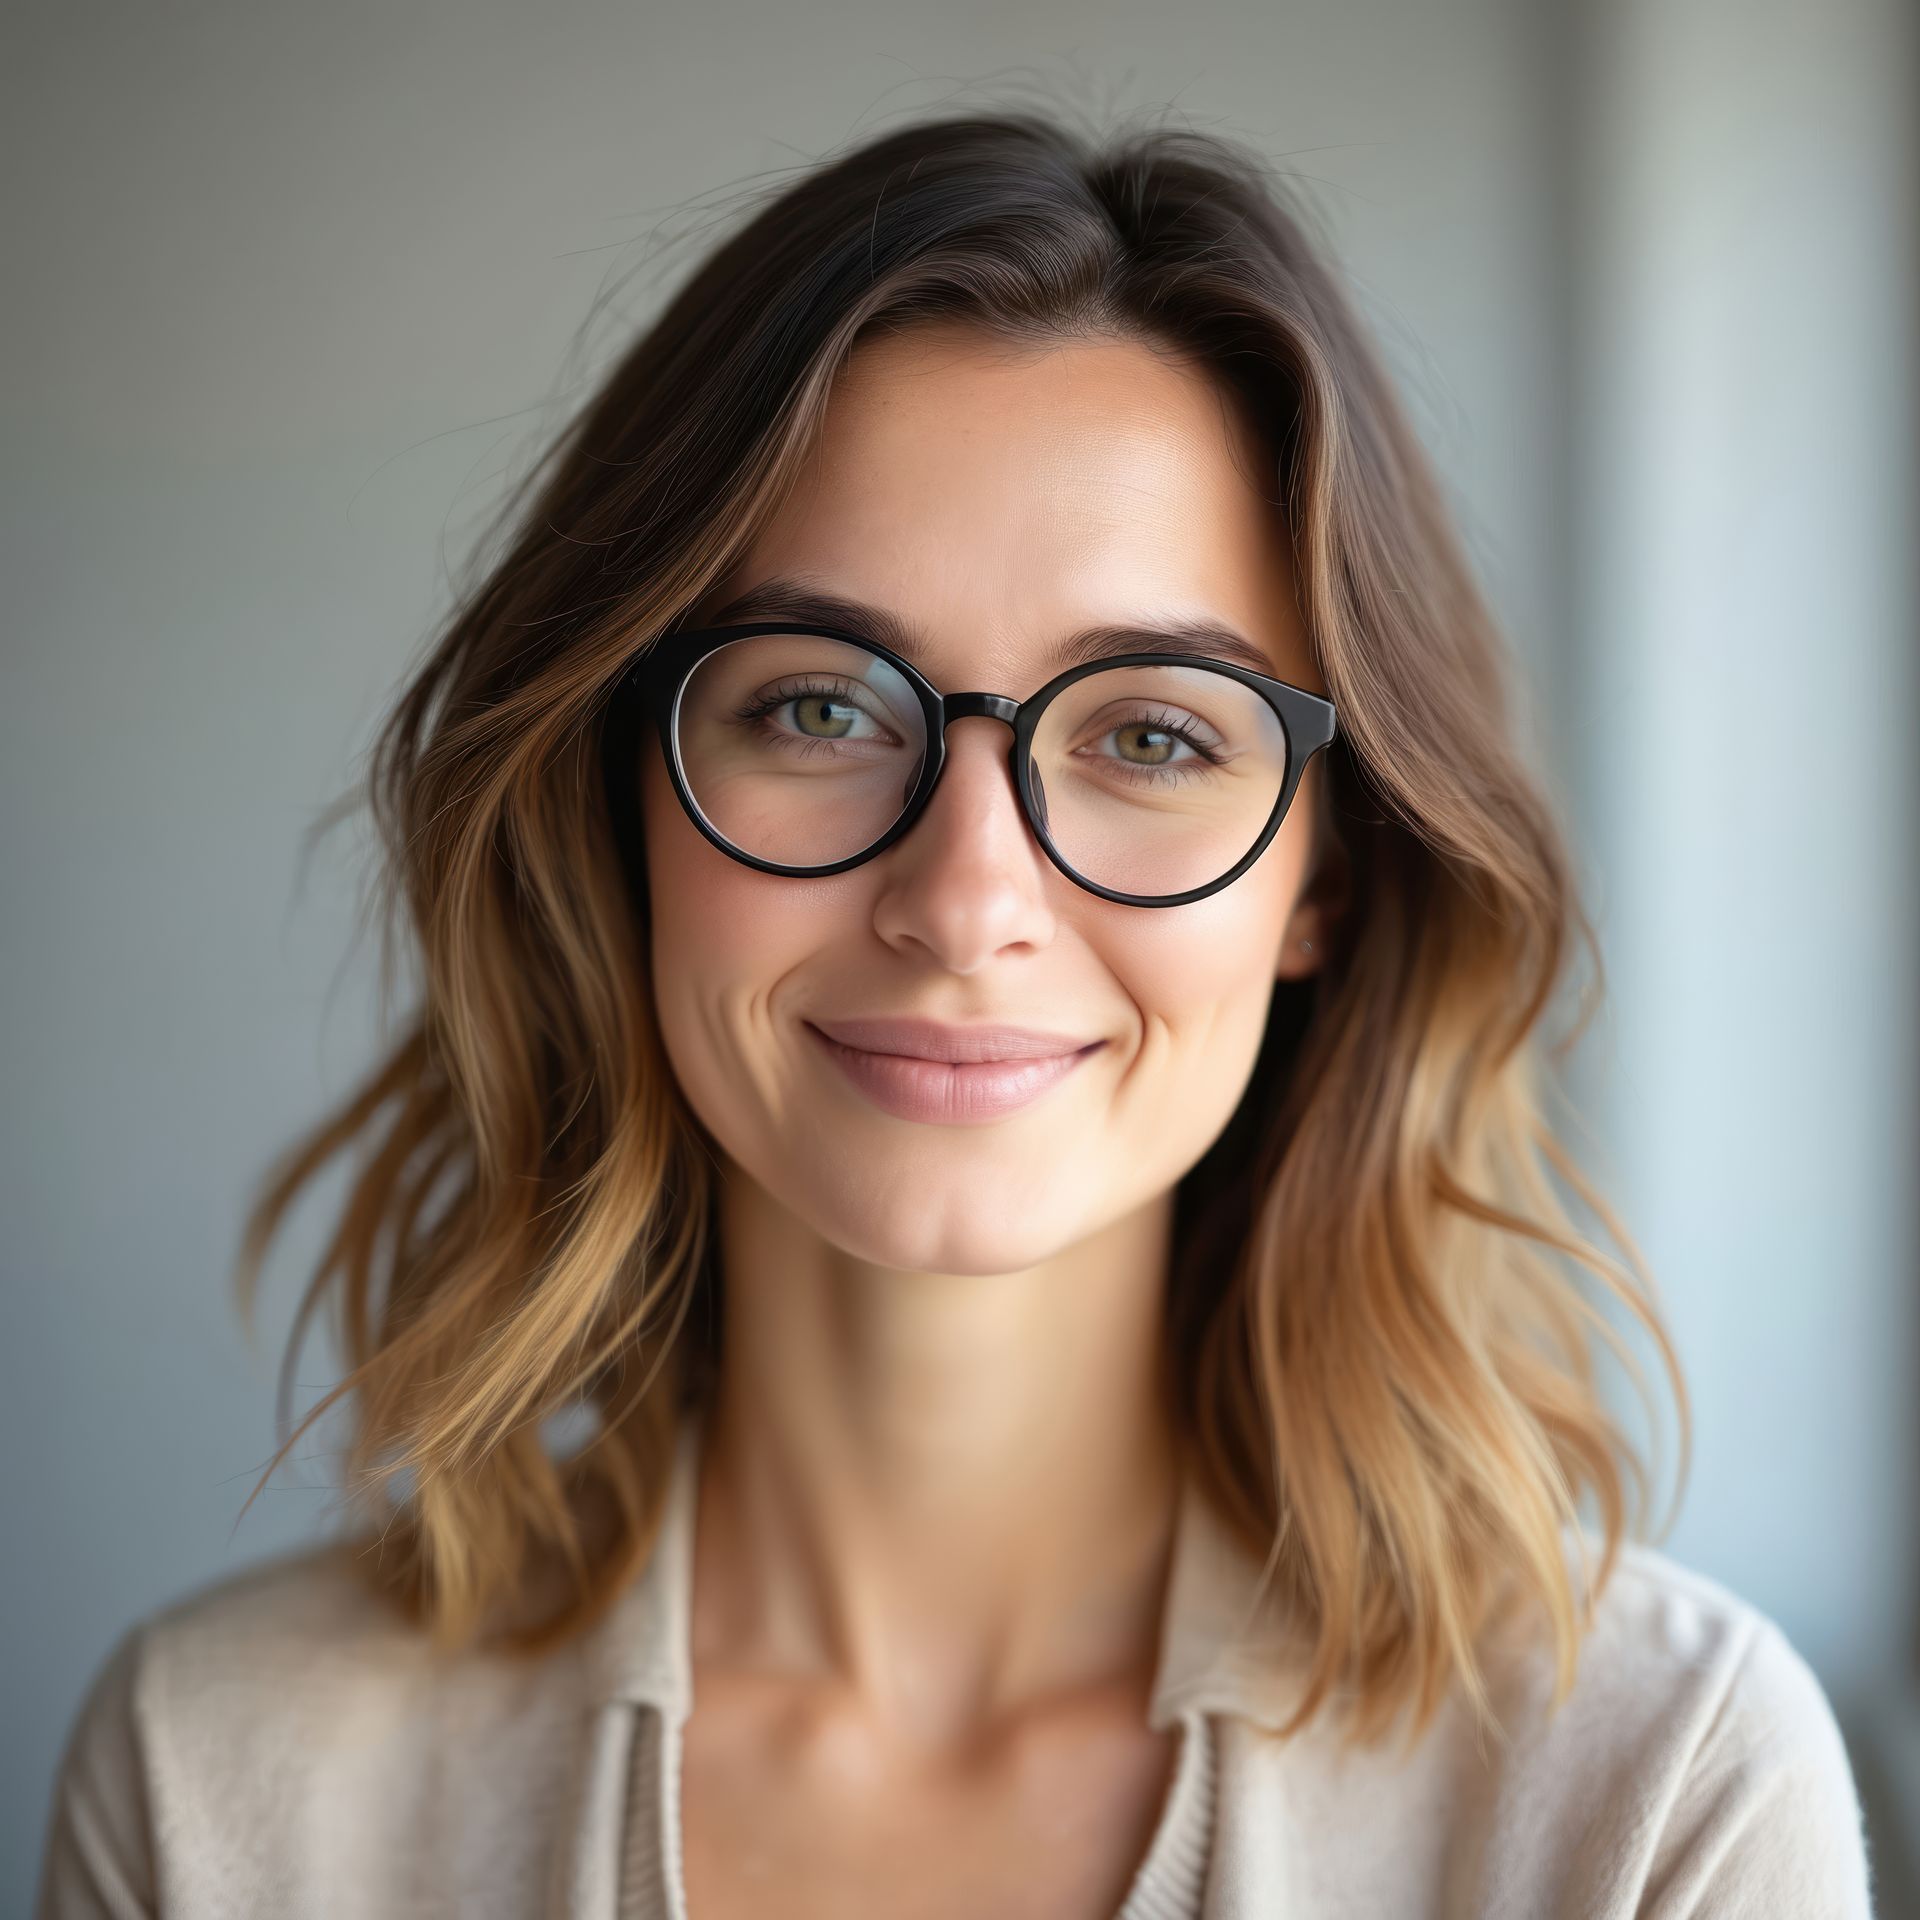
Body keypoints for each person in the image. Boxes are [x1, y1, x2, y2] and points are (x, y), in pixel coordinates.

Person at [35, 108, 1875, 1918]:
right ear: (621, 803)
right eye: (822, 708)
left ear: (1329, 878)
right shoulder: (224, 1793)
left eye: (1155, 733)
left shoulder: (1650, 1797)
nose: (966, 901)